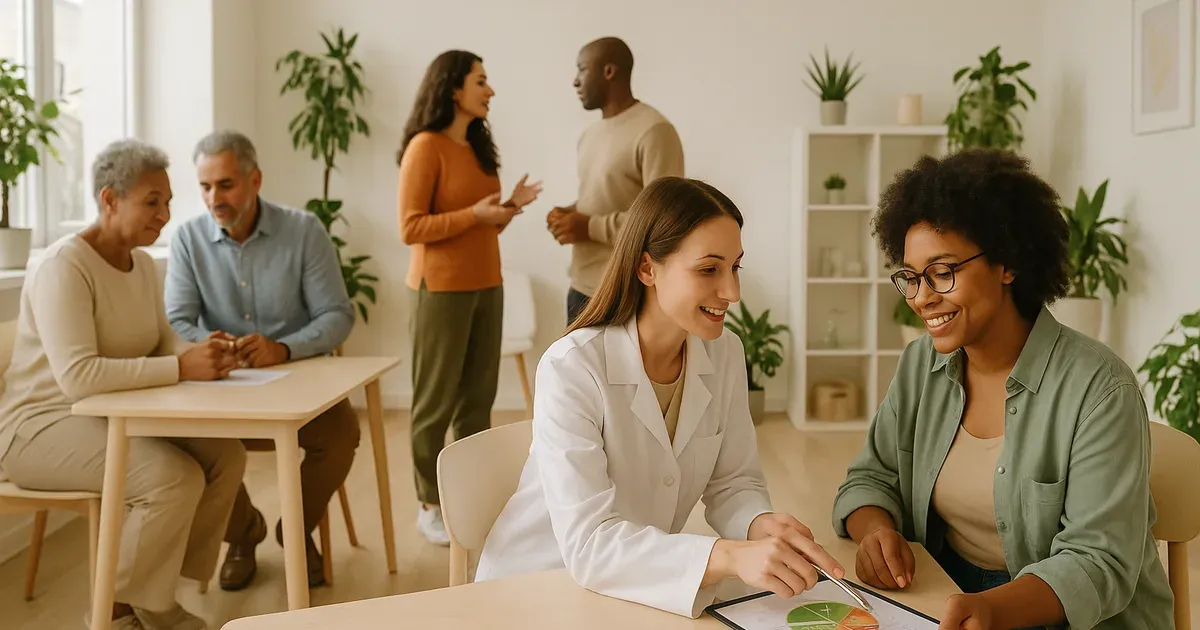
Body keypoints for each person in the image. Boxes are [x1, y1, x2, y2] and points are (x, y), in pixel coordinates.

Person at [831, 149, 1173, 629]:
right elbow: (870, 478)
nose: (923, 296)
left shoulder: (1100, 389)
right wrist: (876, 532)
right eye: (911, 277)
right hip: (948, 595)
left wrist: (994, 609)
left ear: (1007, 264)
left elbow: (1099, 562)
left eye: (943, 271)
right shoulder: (920, 364)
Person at [475, 177, 843, 618]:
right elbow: (590, 545)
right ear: (647, 268)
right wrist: (725, 556)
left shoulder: (724, 352)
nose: (732, 292)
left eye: (735, 267)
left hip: (634, 589)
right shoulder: (571, 367)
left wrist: (757, 524)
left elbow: (733, 482)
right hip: (536, 592)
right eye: (709, 269)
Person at [0, 139, 245, 630]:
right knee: (173, 477)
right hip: (39, 427)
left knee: (226, 455)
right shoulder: (62, 267)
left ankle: (153, 596)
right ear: (109, 200)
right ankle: (114, 611)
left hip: (109, 416)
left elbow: (158, 344)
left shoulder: (143, 263)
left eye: (168, 201)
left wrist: (202, 353)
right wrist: (182, 368)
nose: (165, 213)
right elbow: (78, 378)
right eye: (152, 201)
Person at [164, 130, 359, 590]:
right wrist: (211, 344)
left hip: (299, 383)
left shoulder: (304, 230)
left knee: (341, 433)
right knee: (189, 443)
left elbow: (337, 315)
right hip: (223, 391)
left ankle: (294, 531)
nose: (215, 198)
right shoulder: (188, 239)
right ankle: (243, 534)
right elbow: (178, 319)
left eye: (226, 185)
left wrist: (283, 348)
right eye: (206, 187)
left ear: (255, 180)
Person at [396, 49, 542, 545]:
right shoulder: (425, 147)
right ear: (453, 88)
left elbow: (482, 221)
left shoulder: (479, 147)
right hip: (439, 291)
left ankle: (471, 497)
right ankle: (429, 503)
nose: (491, 90)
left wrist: (506, 210)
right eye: (482, 80)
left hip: (487, 283)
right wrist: (476, 217)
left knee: (478, 403)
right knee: (433, 404)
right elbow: (410, 227)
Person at [548, 36, 685, 325]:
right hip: (581, 287)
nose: (575, 81)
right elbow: (606, 195)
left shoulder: (654, 130)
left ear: (609, 71)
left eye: (582, 69)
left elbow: (663, 219)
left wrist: (589, 227)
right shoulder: (590, 134)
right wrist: (571, 215)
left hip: (624, 293)